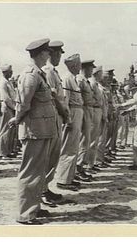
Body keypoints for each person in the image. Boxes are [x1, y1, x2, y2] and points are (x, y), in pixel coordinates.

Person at [8, 38, 56, 225]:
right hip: (34, 130)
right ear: (39, 54)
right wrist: (17, 118)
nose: (49, 55)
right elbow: (24, 103)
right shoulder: (30, 75)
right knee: (30, 172)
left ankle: (34, 208)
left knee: (39, 170)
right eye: (47, 52)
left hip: (42, 129)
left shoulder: (38, 73)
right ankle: (25, 214)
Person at [41, 40, 68, 206]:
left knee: (53, 156)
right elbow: (53, 97)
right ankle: (42, 191)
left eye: (60, 54)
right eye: (56, 54)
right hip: (52, 116)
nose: (58, 57)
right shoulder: (48, 72)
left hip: (57, 116)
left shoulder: (54, 72)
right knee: (47, 156)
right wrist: (64, 112)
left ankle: (45, 188)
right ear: (49, 54)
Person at [55, 54, 83, 191]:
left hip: (77, 112)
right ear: (73, 66)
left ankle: (69, 177)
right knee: (68, 148)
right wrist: (68, 119)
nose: (80, 67)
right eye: (78, 65)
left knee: (74, 147)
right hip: (72, 113)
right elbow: (65, 100)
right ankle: (63, 180)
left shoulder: (73, 79)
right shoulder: (67, 79)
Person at [76, 59, 96, 178]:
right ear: (85, 69)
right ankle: (78, 167)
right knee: (83, 140)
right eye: (91, 69)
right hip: (83, 110)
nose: (92, 71)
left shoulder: (85, 81)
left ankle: (81, 165)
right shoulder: (80, 80)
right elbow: (78, 97)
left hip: (88, 110)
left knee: (86, 140)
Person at [0, 64, 17, 159]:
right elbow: (6, 98)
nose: (11, 73)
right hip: (6, 107)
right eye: (9, 72)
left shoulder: (8, 82)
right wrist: (14, 107)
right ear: (4, 72)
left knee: (10, 130)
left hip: (11, 107)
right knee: (4, 130)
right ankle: (2, 152)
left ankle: (7, 151)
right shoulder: (3, 82)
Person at [88, 66, 106, 169]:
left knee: (95, 139)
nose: (102, 76)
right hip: (94, 110)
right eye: (101, 73)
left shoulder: (95, 84)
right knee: (92, 139)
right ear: (97, 73)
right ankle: (89, 165)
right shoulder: (92, 83)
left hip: (97, 110)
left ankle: (91, 163)